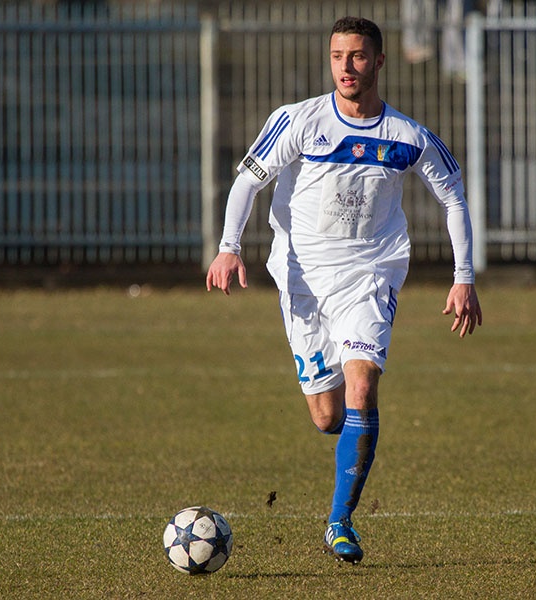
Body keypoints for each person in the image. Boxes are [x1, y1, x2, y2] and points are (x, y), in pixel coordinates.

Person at [206, 16, 482, 564]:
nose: (346, 67)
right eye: (337, 57)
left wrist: (464, 278)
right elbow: (247, 181)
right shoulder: (299, 122)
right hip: (301, 277)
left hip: (370, 274)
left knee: (363, 388)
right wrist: (228, 245)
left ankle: (340, 521)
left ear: (379, 61)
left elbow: (453, 198)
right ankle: (350, 451)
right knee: (328, 417)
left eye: (357, 57)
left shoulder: (406, 136)